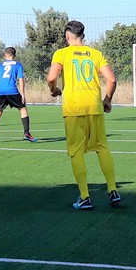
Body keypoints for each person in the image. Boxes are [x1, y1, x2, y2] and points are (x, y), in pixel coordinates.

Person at [46, 20, 120, 210]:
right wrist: (107, 100)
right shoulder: (95, 54)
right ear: (83, 36)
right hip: (94, 107)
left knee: (76, 152)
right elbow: (111, 79)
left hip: (73, 109)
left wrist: (54, 90)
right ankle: (113, 190)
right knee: (102, 148)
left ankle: (85, 197)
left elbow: (51, 77)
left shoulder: (62, 53)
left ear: (67, 36)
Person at [0, 47, 36, 143]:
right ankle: (26, 133)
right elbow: (21, 80)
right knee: (23, 109)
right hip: (12, 91)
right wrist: (23, 94)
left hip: (0, 92)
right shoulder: (18, 65)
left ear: (5, 55)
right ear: (14, 55)